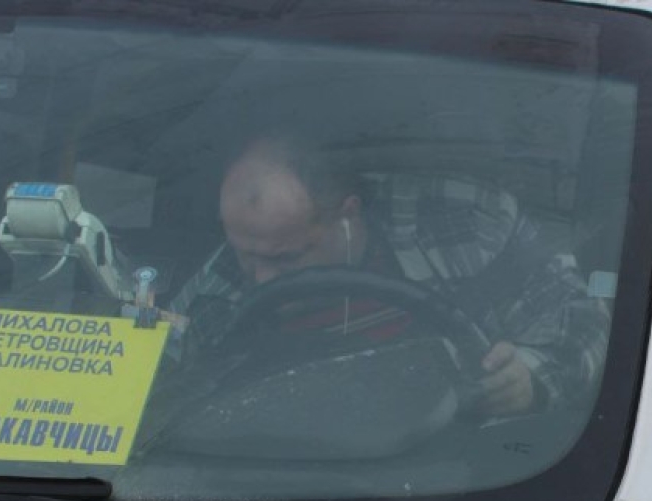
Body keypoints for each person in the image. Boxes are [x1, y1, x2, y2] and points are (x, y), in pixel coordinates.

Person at [166, 133, 609, 417]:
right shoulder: (217, 289)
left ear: (348, 215)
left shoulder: (465, 222)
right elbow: (161, 379)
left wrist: (531, 377)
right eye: (245, 254)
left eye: (285, 259)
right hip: (286, 475)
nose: (259, 279)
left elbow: (583, 316)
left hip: (467, 479)